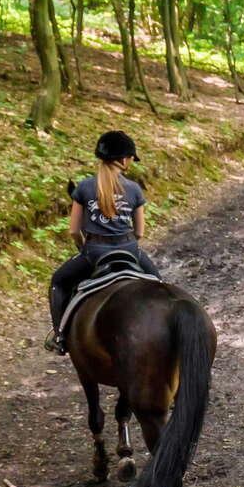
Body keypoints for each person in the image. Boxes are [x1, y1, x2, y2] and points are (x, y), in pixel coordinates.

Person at [45, 131, 160, 354]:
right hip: (129, 249)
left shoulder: (84, 187)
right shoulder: (134, 189)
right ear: (125, 160)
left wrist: (83, 248)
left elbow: (73, 230)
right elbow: (140, 232)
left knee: (58, 282)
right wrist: (126, 243)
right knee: (159, 284)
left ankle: (59, 335)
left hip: (94, 252)